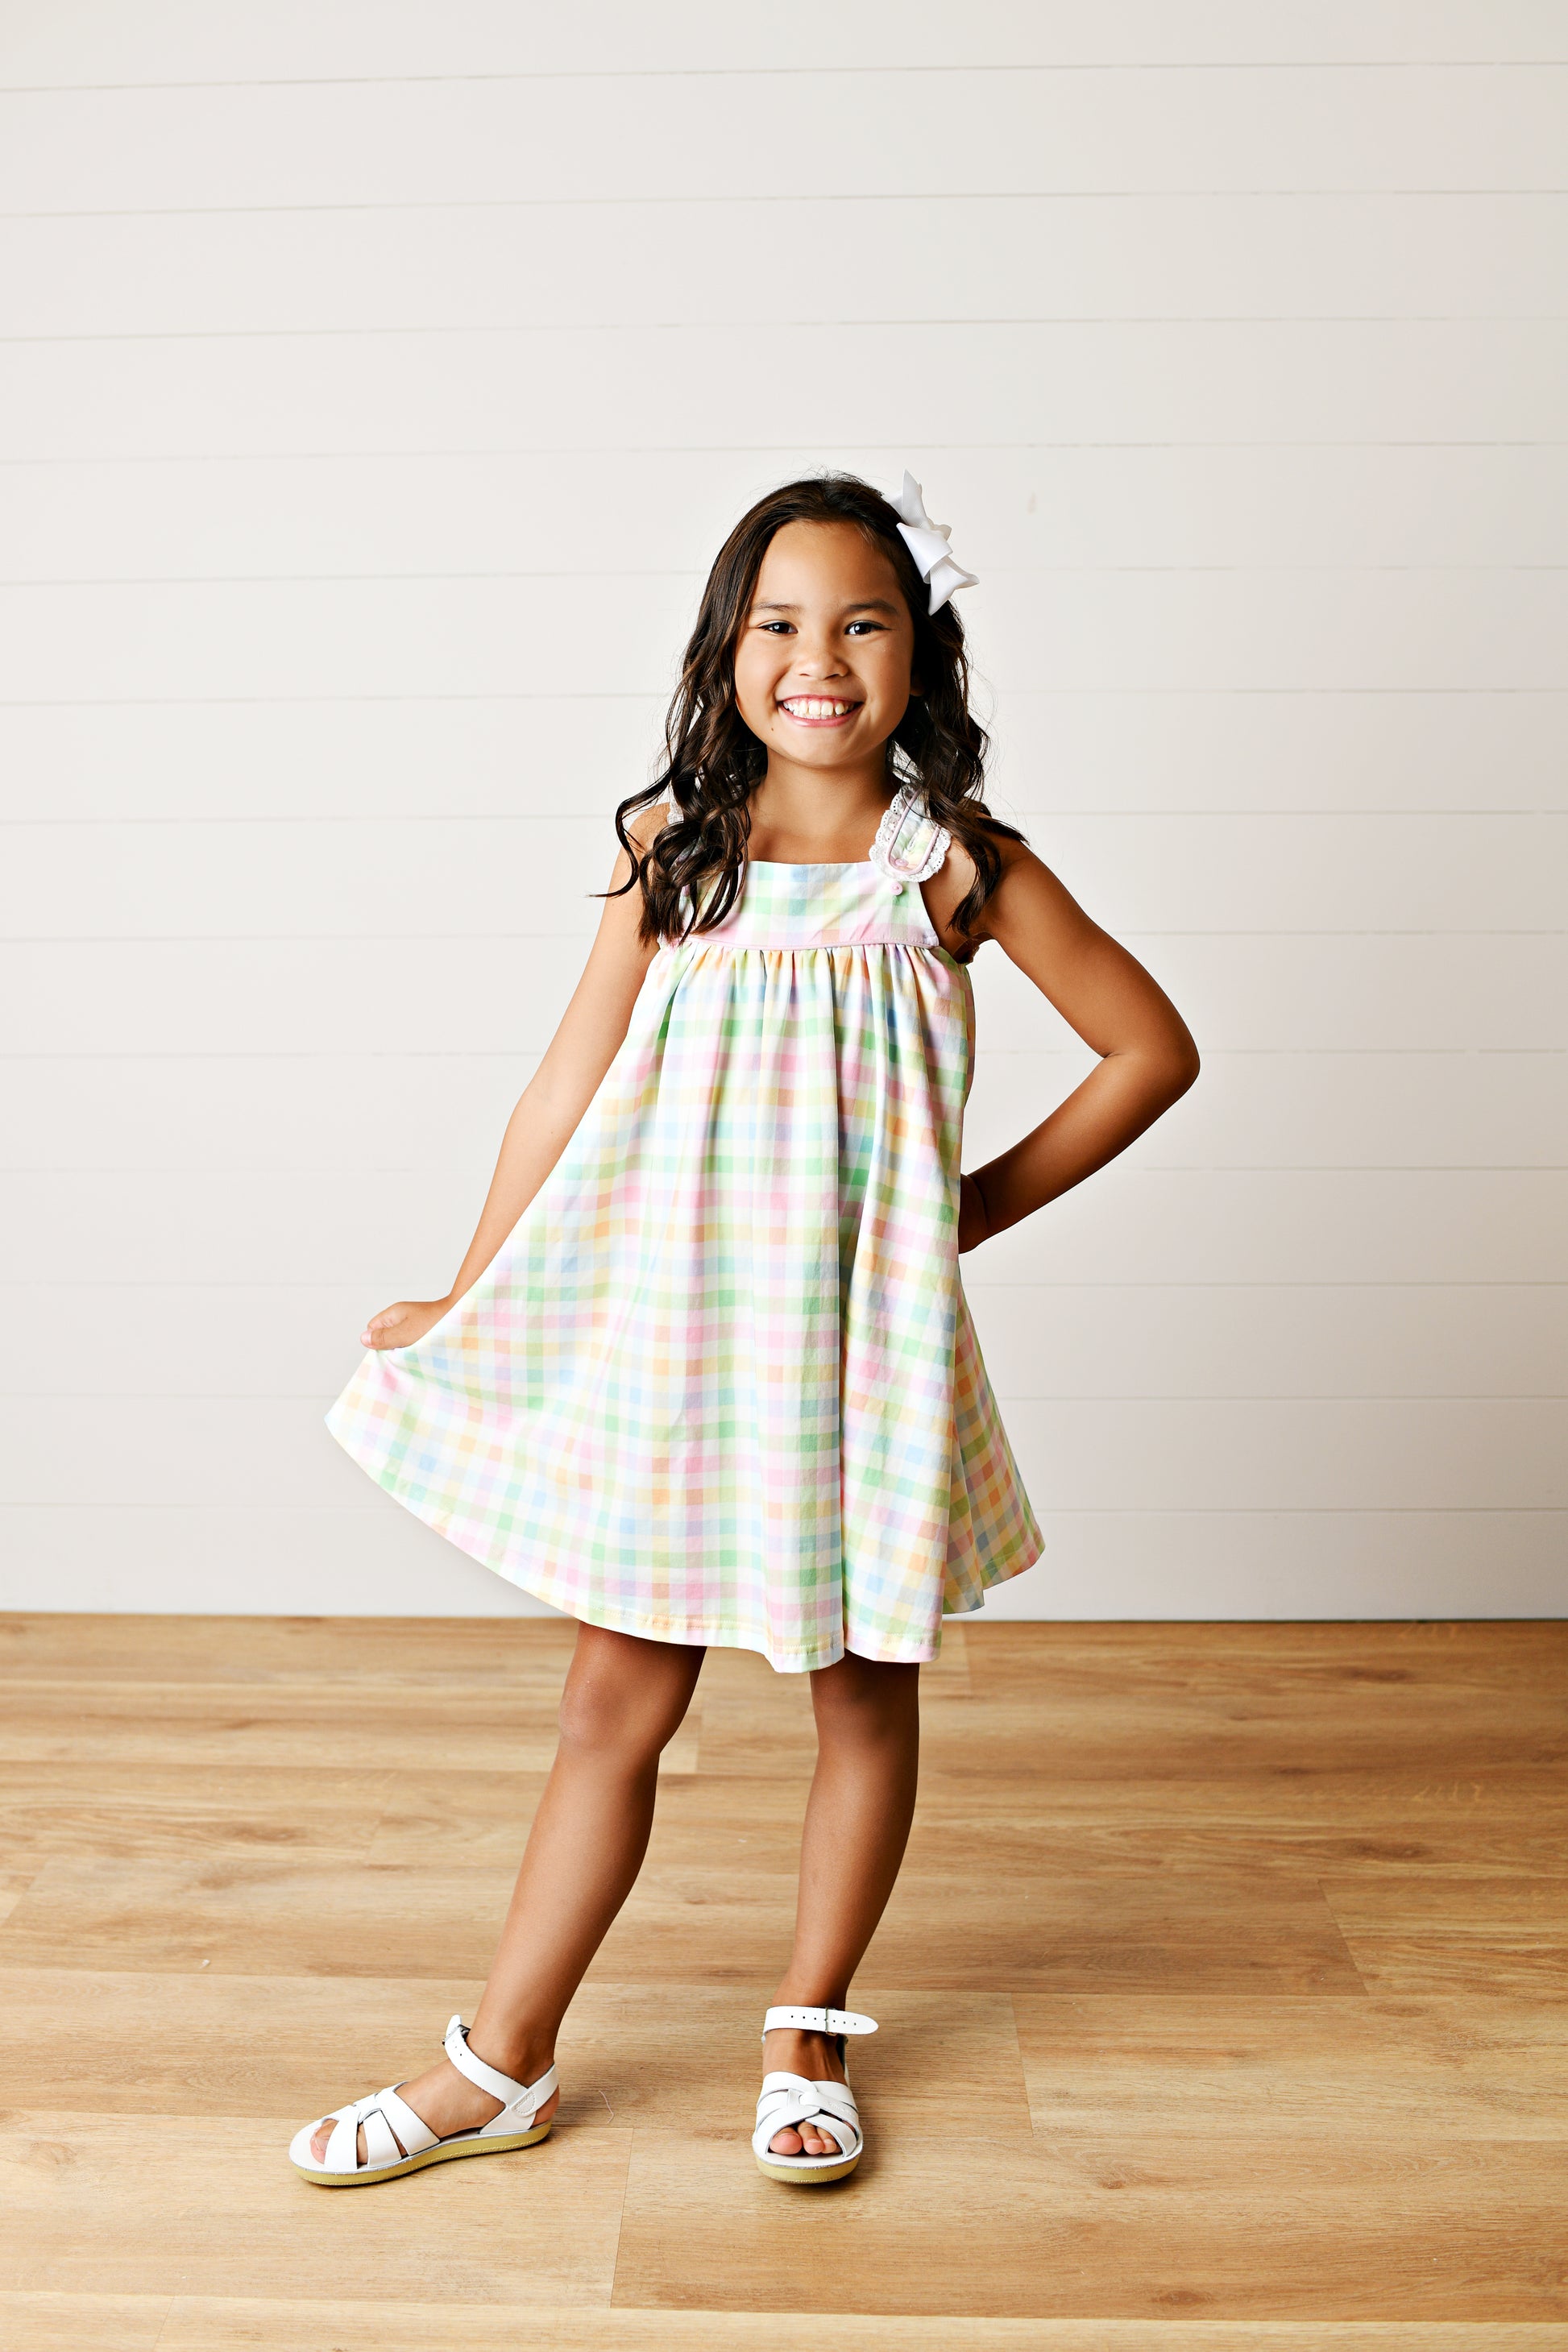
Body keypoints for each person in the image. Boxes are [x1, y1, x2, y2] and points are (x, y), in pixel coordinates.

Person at [288, 471, 1199, 2190]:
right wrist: (472, 1287)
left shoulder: (956, 870)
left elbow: (1150, 1048)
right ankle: (502, 2058)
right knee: (610, 1701)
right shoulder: (677, 853)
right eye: (779, 623)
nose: (818, 660)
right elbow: (563, 1083)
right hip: (680, 1348)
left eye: (862, 622)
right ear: (728, 650)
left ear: (920, 651)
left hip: (857, 1357)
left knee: (861, 1695)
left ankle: (809, 2030)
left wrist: (962, 1209)